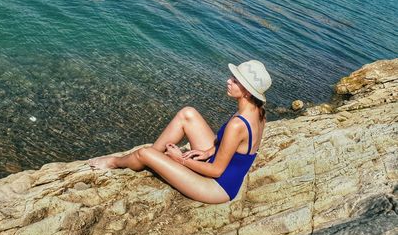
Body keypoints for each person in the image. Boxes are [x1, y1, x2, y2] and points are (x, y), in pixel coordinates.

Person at [88, 60, 272, 204]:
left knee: (144, 152)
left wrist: (180, 159)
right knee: (188, 113)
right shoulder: (256, 112)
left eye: (235, 80)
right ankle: (153, 159)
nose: (228, 81)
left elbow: (216, 171)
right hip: (218, 168)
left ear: (247, 92)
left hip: (216, 187)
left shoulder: (238, 124)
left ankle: (116, 162)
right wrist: (209, 152)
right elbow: (236, 150)